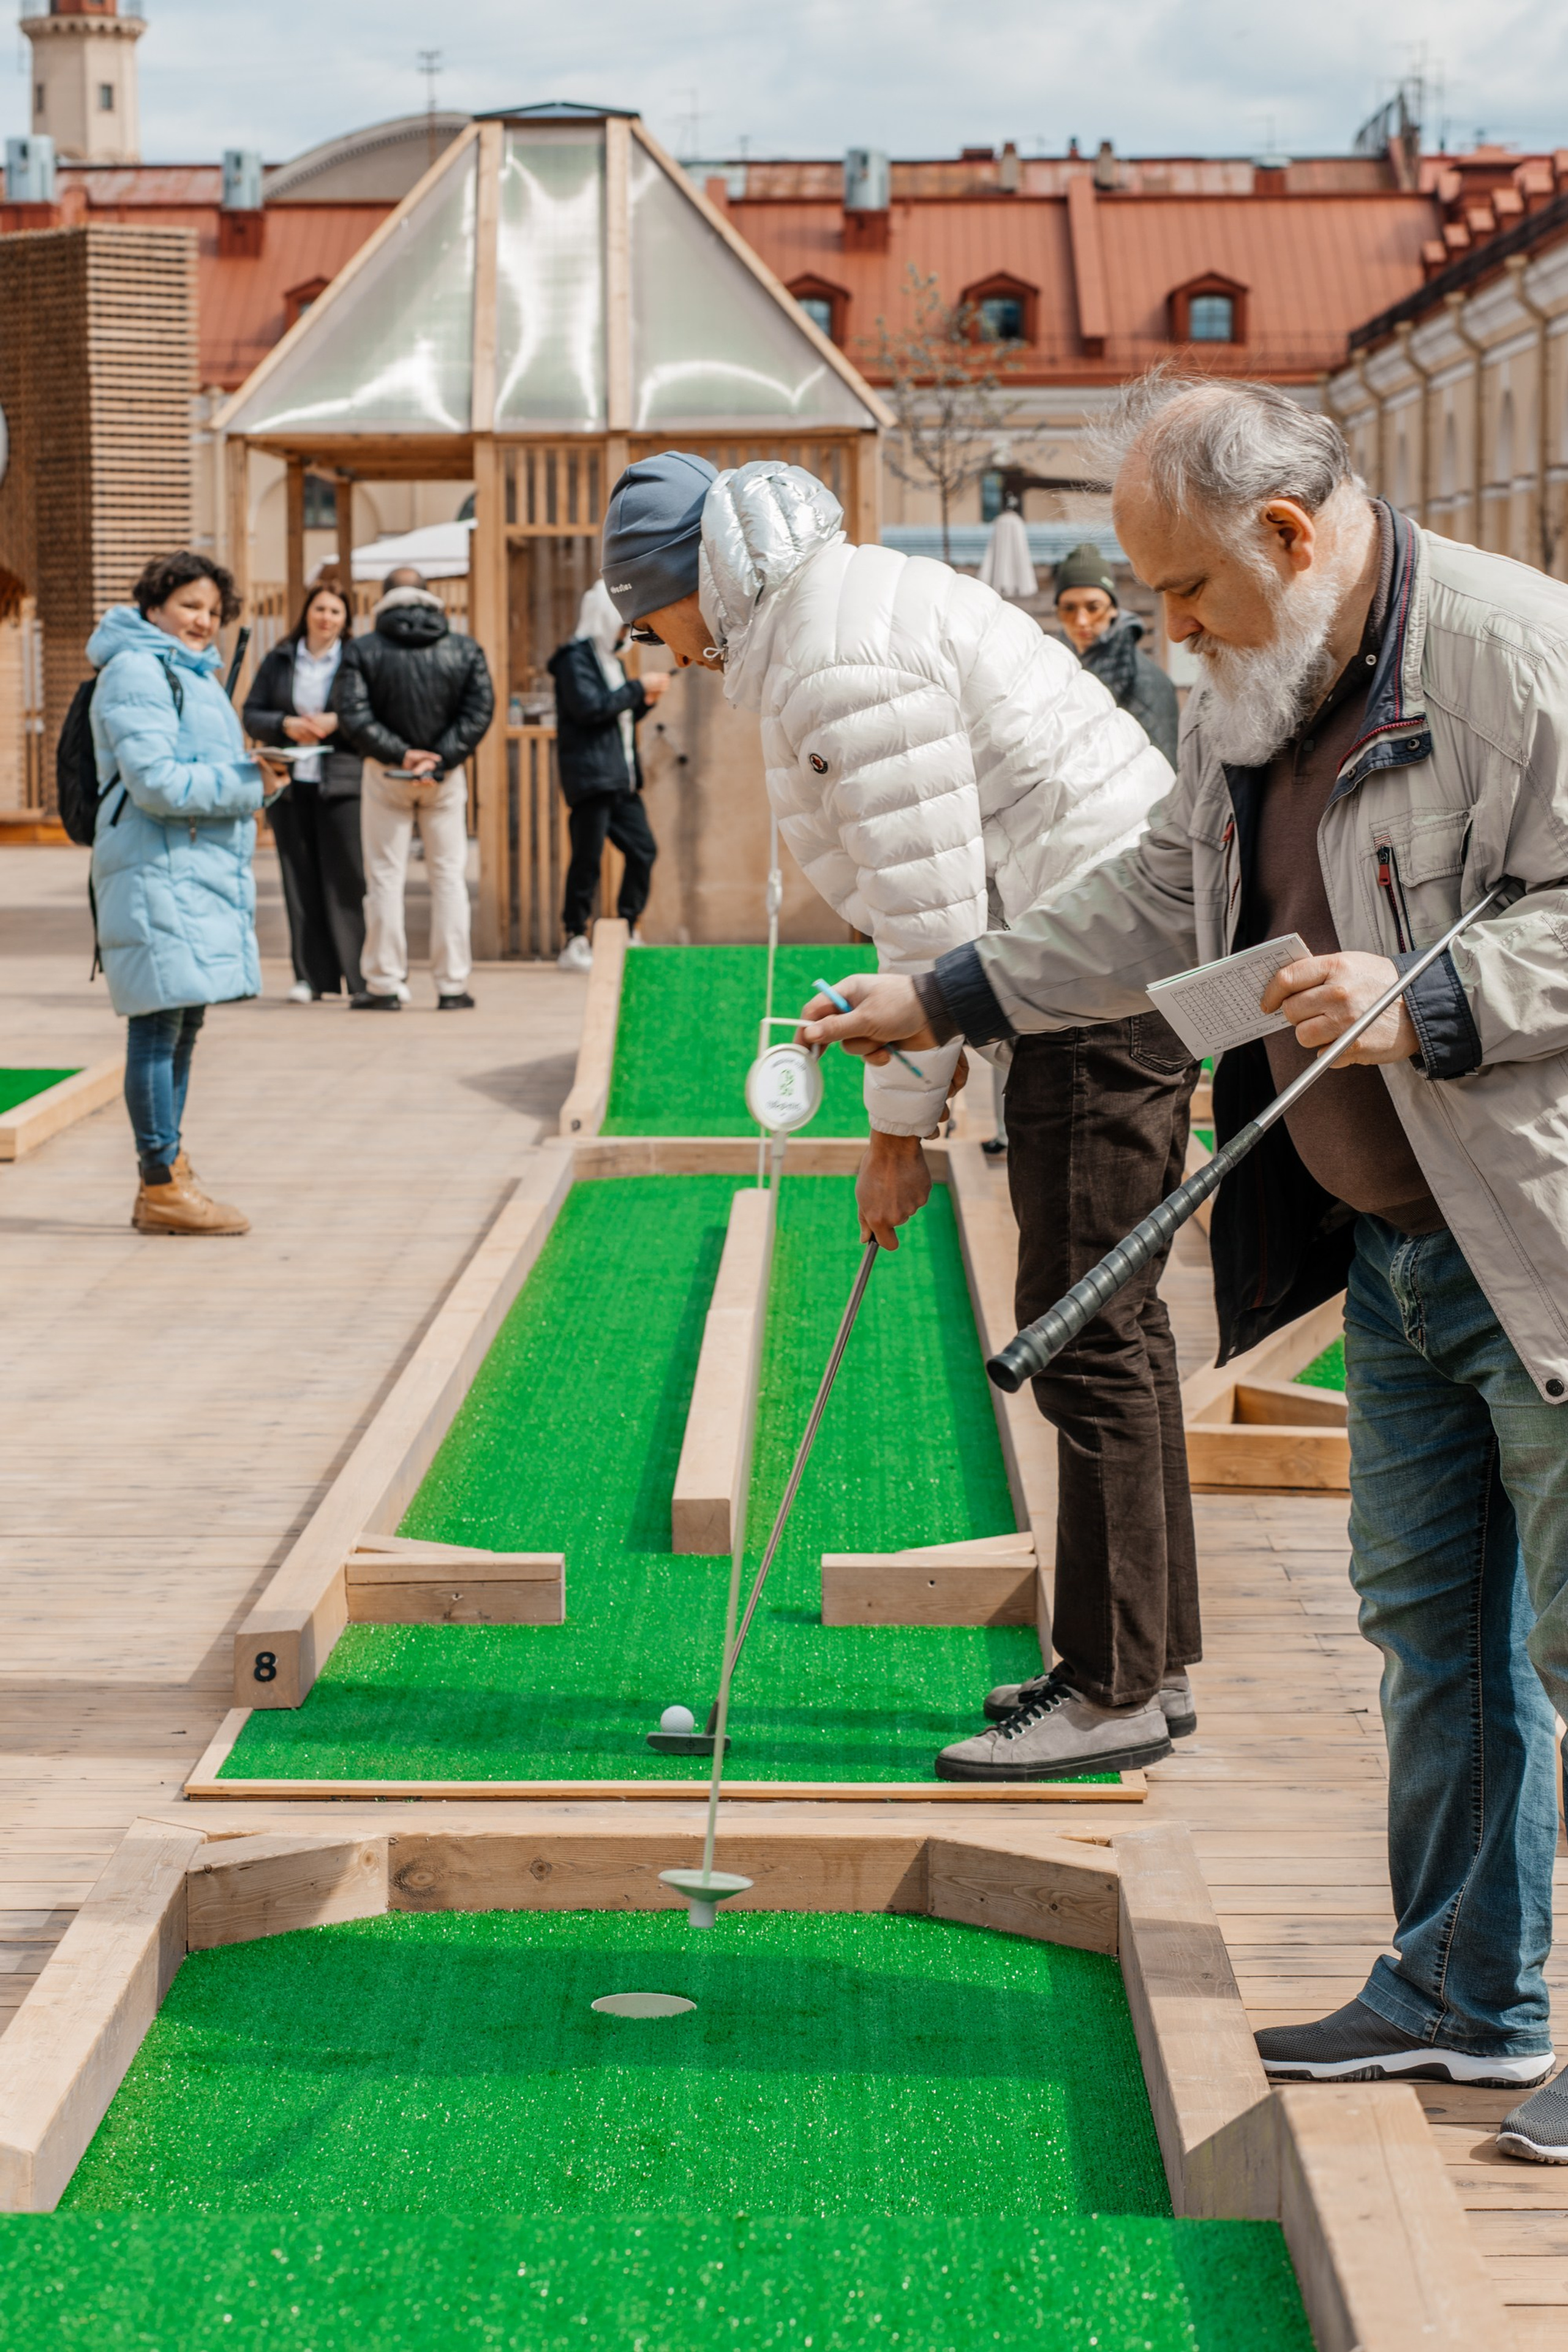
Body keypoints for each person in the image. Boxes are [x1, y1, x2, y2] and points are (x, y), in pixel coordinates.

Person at [799, 370, 1568, 2164]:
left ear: (1290, 538)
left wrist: (1424, 995)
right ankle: (1463, 1984)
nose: (1159, 628)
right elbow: (1152, 906)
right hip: (1390, 1249)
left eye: (1182, 591)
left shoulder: (1516, 656)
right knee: (1427, 1629)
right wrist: (945, 992)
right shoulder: (1252, 684)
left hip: (1534, 1239)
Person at [602, 449, 1200, 1782]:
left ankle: (1111, 1690)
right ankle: (1138, 1666)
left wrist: (893, 1135)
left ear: (698, 582)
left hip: (1095, 973)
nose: (659, 652)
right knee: (1114, 1320)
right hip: (1096, 956)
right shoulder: (837, 612)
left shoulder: (835, 659)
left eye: (651, 621)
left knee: (1083, 1325)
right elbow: (917, 900)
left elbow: (932, 918)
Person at [88, 551, 274, 1235]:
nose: (203, 621)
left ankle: (165, 1177)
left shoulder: (185, 674)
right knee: (158, 1025)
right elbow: (159, 784)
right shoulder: (138, 670)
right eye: (190, 606)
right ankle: (161, 1177)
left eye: (213, 612)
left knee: (182, 1024)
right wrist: (252, 783)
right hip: (154, 871)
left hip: (187, 872)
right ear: (154, 605)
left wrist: (259, 775)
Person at [331, 565, 494, 1010]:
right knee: (449, 879)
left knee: (384, 879)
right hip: (445, 779)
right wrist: (440, 757)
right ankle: (452, 985)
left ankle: (383, 985)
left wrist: (401, 754)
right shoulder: (464, 648)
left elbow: (352, 713)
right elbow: (479, 710)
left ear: (383, 598)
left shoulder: (362, 650)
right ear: (430, 597)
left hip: (386, 776)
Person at [243, 576, 364, 1001]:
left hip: (343, 784)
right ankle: (310, 978)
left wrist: (338, 722)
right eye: (320, 609)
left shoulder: (356, 660)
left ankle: (357, 975)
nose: (326, 618)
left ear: (346, 619)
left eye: (335, 611)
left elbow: (372, 712)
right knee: (299, 880)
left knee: (347, 878)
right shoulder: (279, 659)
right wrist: (285, 725)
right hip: (292, 785)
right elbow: (252, 713)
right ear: (306, 613)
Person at [547, 579, 668, 973]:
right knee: (587, 858)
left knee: (643, 851)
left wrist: (643, 702)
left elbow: (616, 715)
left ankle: (627, 929)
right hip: (591, 778)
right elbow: (590, 709)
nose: (623, 634)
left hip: (621, 778)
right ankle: (575, 938)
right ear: (600, 618)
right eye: (619, 624)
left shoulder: (612, 661)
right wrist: (637, 689)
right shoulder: (574, 659)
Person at [1054, 541, 1180, 767]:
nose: (1081, 621)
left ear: (1113, 610)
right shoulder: (1060, 670)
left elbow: (1163, 768)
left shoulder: (1146, 679)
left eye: (1093, 608)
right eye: (1069, 608)